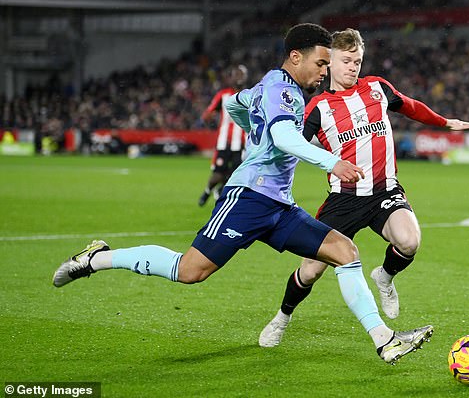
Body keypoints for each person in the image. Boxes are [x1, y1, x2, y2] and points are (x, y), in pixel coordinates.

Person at [52, 23, 433, 365]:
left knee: (345, 252)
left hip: (280, 205)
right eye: (320, 64)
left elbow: (235, 104)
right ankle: (98, 259)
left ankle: (385, 341)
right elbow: (284, 136)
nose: (323, 72)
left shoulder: (270, 87)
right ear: (295, 57)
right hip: (248, 197)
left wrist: (253, 126)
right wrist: (330, 163)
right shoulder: (283, 90)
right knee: (190, 271)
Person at [259, 28, 469, 348]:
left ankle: (384, 277)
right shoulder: (318, 107)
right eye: (346, 61)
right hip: (343, 200)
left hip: (384, 191)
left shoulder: (376, 88)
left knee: (409, 240)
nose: (353, 67)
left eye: (357, 61)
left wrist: (444, 123)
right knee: (310, 271)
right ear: (328, 61)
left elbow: (410, 105)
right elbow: (293, 147)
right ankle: (282, 317)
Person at [198, 64, 249, 206]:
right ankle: (208, 191)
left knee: (237, 174)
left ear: (245, 77)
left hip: (243, 143)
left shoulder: (250, 94)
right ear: (231, 78)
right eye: (236, 74)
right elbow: (207, 114)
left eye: (241, 74)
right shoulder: (223, 95)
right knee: (218, 173)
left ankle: (221, 190)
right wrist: (210, 119)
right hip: (224, 142)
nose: (238, 77)